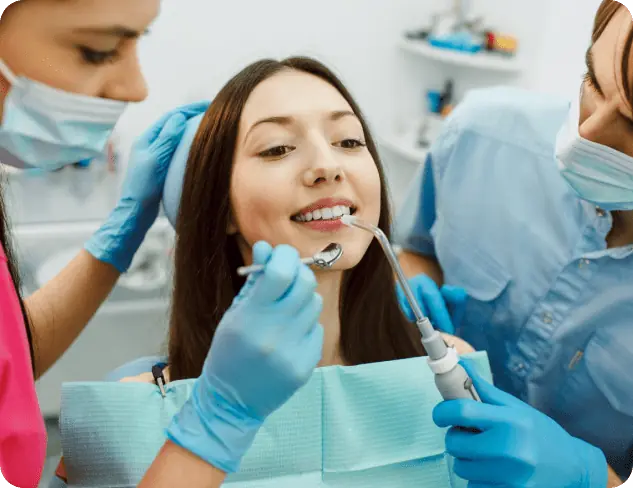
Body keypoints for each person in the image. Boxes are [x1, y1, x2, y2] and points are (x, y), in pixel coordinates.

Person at [51, 55, 476, 486]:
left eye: (348, 141)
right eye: (277, 148)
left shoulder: (452, 371)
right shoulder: (128, 410)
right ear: (222, 208)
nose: (328, 166)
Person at [0, 2, 323, 487]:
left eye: (349, 141)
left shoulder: (444, 366)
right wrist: (218, 423)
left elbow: (9, 363)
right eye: (98, 50)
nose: (137, 87)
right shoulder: (126, 410)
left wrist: (119, 238)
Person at [395, 0, 633, 486]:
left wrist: (587, 477)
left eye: (632, 124)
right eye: (593, 81)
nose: (588, 131)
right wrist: (413, 290)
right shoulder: (481, 133)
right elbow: (418, 249)